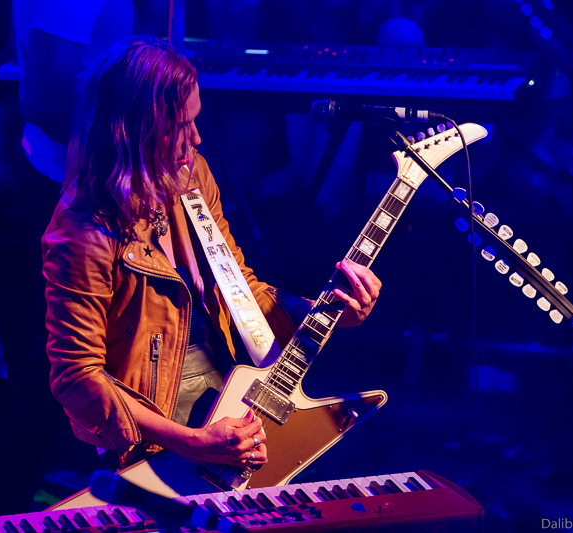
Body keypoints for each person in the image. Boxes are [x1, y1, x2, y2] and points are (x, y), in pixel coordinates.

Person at [41, 35, 381, 470]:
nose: (197, 138)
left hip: (226, 393)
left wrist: (326, 312)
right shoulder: (84, 230)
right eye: (180, 126)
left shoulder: (191, 178)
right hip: (155, 432)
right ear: (134, 131)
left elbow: (241, 289)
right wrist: (192, 442)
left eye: (195, 120)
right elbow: (76, 377)